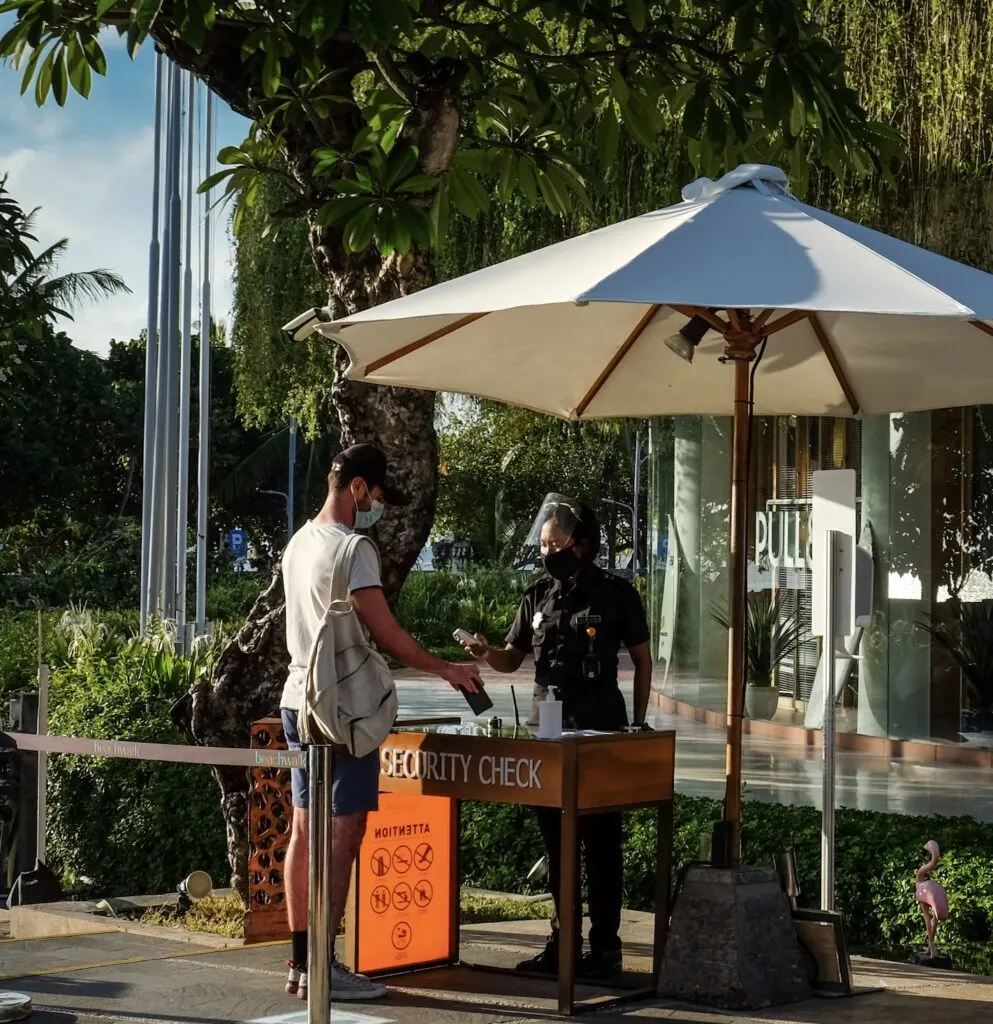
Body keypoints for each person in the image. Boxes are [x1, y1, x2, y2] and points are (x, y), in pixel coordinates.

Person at [280, 443, 484, 1002]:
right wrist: (446, 668)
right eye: (375, 496)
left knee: (303, 830)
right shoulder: (352, 549)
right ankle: (326, 967)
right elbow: (388, 634)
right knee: (344, 832)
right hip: (342, 706)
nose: (376, 506)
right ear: (359, 488)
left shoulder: (297, 544)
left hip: (297, 696)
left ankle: (302, 962)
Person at [460, 494, 652, 980]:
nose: (548, 552)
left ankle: (605, 949)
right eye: (543, 545)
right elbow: (512, 657)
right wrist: (486, 652)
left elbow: (643, 660)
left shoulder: (616, 594)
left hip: (599, 732)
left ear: (582, 544)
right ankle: (561, 942)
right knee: (558, 844)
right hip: (546, 734)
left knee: (601, 842)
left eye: (557, 543)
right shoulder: (536, 597)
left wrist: (637, 723)